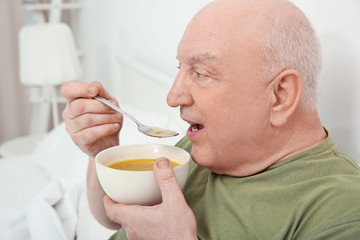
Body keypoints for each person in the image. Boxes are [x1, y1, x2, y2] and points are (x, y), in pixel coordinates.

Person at [61, 0, 360, 239]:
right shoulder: (194, 150)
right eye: (180, 69)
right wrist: (102, 153)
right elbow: (115, 218)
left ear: (281, 95)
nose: (173, 97)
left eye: (201, 73)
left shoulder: (341, 209)